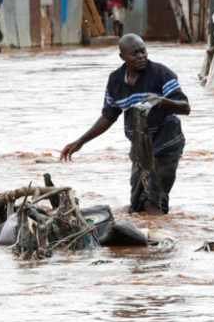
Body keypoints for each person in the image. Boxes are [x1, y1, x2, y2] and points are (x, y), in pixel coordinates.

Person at [61, 34, 190, 214]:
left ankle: (159, 238)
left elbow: (185, 107)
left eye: (143, 51)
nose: (141, 56)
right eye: (135, 54)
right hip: (140, 149)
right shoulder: (115, 81)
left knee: (154, 201)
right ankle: (144, 236)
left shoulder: (161, 74)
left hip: (167, 143)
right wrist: (80, 141)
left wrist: (162, 101)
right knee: (136, 207)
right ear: (122, 57)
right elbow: (108, 116)